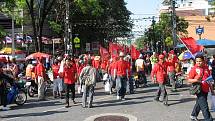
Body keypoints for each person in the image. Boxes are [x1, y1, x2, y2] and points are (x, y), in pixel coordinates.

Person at [188, 54, 214, 121]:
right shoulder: (194, 69)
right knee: (204, 106)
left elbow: (209, 79)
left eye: (200, 61)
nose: (198, 62)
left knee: (199, 103)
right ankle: (208, 119)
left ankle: (193, 115)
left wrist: (211, 89)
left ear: (203, 61)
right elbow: (189, 80)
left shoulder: (206, 68)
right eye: (197, 61)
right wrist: (196, 80)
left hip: (206, 89)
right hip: (199, 89)